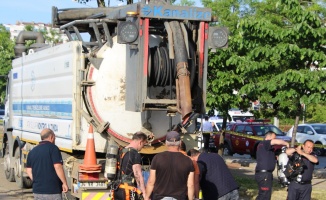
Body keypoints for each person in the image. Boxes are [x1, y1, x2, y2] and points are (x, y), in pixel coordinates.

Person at [145, 131, 195, 200]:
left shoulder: (157, 158)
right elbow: (190, 185)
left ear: (166, 143)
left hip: (159, 197)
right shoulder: (188, 161)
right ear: (180, 143)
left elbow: (151, 181)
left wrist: (147, 197)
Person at [26, 128, 68, 200]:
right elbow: (58, 167)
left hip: (37, 191)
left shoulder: (32, 152)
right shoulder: (53, 149)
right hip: (52, 191)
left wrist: (37, 181)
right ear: (51, 137)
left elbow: (28, 170)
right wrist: (64, 183)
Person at [255, 131, 289, 200]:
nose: (274, 140)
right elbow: (276, 142)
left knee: (264, 195)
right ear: (268, 137)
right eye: (273, 138)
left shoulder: (267, 149)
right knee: (264, 195)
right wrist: (286, 143)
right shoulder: (264, 143)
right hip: (264, 174)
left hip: (266, 174)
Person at [115, 131, 148, 200]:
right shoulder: (135, 154)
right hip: (127, 191)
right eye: (143, 144)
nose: (142, 147)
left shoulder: (121, 151)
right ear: (140, 142)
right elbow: (138, 175)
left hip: (117, 189)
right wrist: (144, 193)